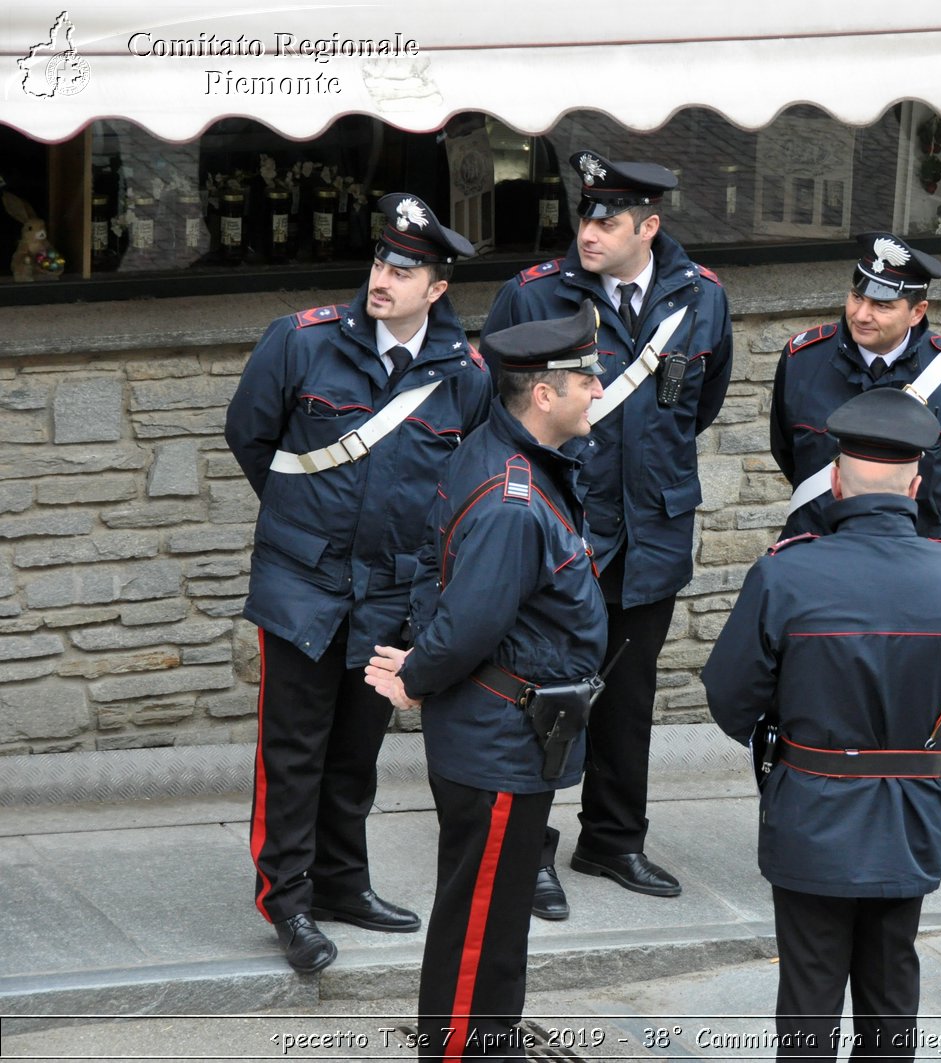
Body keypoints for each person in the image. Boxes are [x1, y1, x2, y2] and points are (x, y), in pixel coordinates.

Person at [224, 193, 489, 974]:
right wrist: (303, 524)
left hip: (391, 595)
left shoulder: (462, 377)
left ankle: (343, 882)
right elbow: (251, 436)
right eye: (380, 261)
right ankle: (289, 899)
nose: (383, 277)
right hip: (303, 587)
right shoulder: (300, 343)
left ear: (437, 287)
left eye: (404, 269)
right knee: (293, 751)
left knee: (356, 752)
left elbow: (462, 483)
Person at [705, 388, 941, 1060]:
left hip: (809, 808)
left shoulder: (788, 572)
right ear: (918, 484)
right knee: (892, 991)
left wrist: (784, 734)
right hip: (909, 814)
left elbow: (729, 696)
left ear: (835, 481)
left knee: (808, 999)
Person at [481, 149, 733, 918]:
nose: (588, 231)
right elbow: (491, 406)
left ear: (649, 227)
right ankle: (530, 848)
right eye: (584, 215)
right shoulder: (534, 295)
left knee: (628, 692)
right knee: (542, 687)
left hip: (650, 528)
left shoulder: (700, 297)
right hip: (562, 527)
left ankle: (614, 837)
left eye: (608, 220)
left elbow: (702, 397)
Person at [363, 305, 609, 1062]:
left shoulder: (508, 459)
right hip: (500, 735)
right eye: (587, 378)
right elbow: (469, 621)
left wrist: (420, 670)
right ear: (544, 393)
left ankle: (491, 1043)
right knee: (480, 924)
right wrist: (416, 676)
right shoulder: (513, 499)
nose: (597, 389)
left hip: (508, 734)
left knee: (497, 915)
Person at [770, 231, 941, 540]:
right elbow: (787, 451)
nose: (861, 315)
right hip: (818, 553)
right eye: (856, 296)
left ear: (917, 312)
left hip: (916, 562)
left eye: (882, 305)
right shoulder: (803, 359)